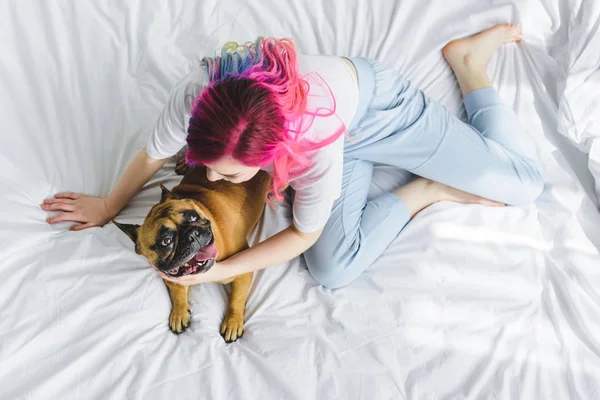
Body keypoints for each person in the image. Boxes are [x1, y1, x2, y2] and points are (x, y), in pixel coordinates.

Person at [41, 24, 543, 289]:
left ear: (272, 154)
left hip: (377, 114)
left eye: (231, 172)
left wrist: (219, 271)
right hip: (322, 127)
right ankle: (425, 190)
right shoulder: (198, 95)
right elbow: (152, 156)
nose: (213, 178)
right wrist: (109, 206)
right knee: (331, 271)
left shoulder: (314, 138)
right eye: (206, 161)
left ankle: (471, 63)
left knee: (526, 186)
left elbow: (303, 232)